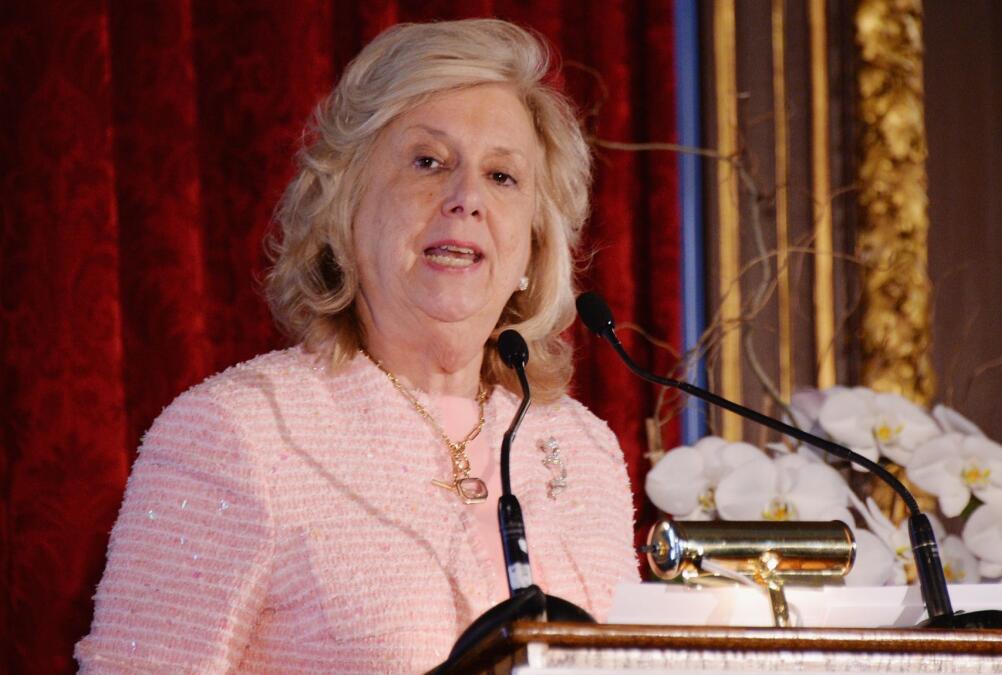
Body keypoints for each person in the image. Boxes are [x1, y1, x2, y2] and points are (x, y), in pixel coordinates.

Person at [75, 19, 637, 673]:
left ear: (533, 244)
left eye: (503, 176)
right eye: (429, 162)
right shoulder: (235, 435)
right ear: (346, 207)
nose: (466, 199)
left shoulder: (584, 448)